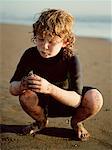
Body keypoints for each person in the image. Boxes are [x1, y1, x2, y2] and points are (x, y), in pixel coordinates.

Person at [9, 9, 103, 141]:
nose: (44, 46)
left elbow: (76, 101)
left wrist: (49, 88)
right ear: (35, 36)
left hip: (67, 101)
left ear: (65, 42)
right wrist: (21, 85)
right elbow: (12, 88)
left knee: (95, 98)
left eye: (51, 42)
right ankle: (41, 121)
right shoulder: (30, 54)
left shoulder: (70, 58)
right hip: (42, 104)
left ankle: (76, 122)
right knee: (26, 95)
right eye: (40, 39)